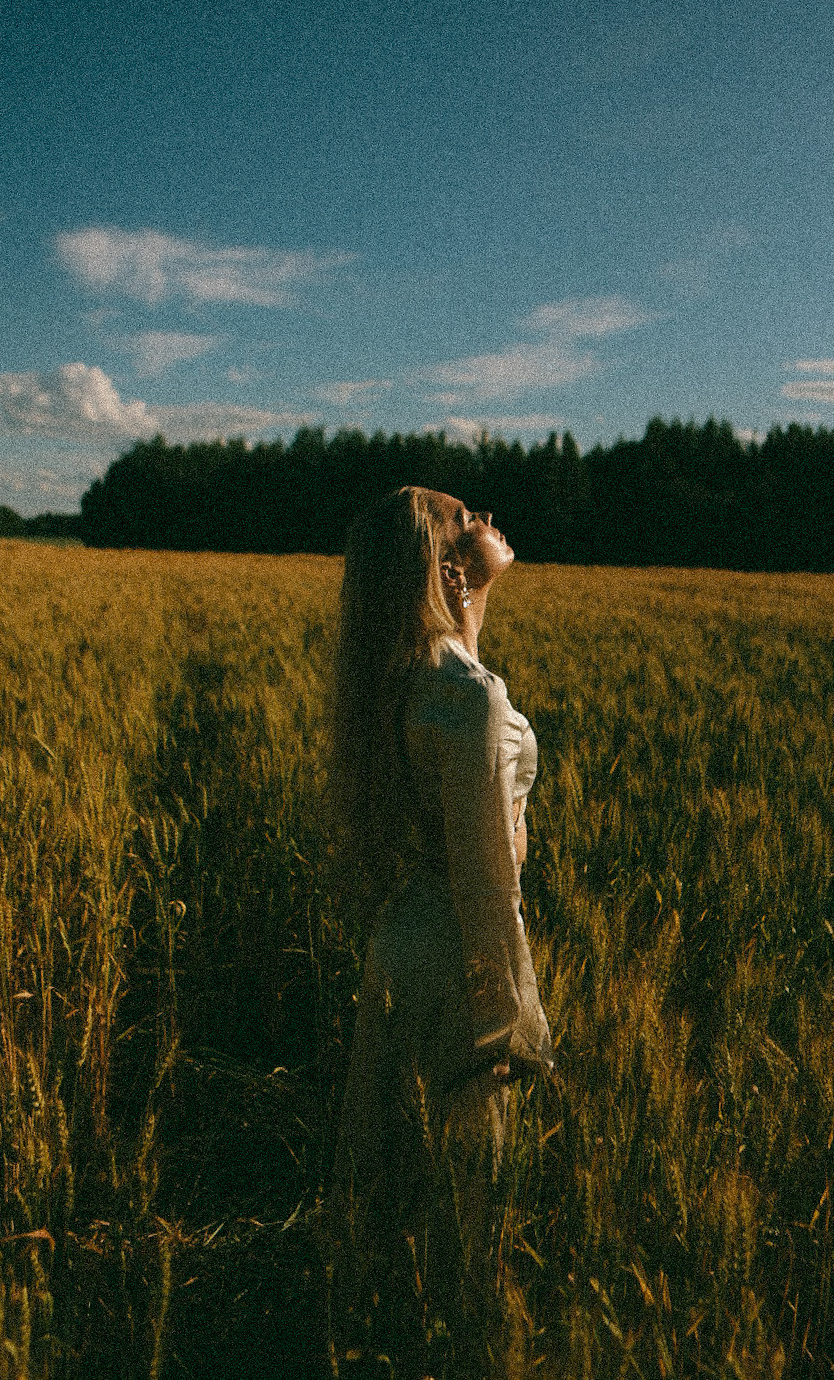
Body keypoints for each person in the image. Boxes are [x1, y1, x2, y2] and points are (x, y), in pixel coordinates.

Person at [330, 484, 555, 1224]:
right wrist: (506, 1012)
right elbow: (489, 880)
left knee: (391, 1181)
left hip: (406, 941)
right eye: (465, 520)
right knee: (457, 1201)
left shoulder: (411, 676)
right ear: (447, 568)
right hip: (461, 951)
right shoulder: (467, 696)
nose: (487, 517)